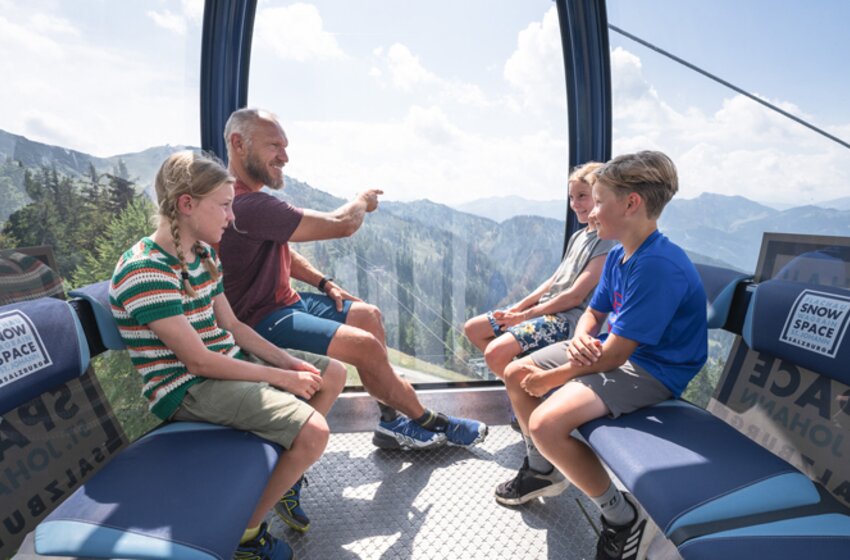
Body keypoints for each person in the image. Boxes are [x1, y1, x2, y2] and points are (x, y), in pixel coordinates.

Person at [217, 107, 488, 525]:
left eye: (285, 147)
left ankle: (391, 422)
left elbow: (281, 247)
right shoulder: (246, 204)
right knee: (363, 347)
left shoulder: (253, 204)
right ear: (239, 144)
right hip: (259, 320)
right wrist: (363, 200)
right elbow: (341, 223)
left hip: (286, 302)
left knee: (367, 316)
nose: (285, 157)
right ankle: (429, 420)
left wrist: (323, 282)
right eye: (274, 146)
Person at [110, 151, 346, 560]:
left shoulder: (203, 255)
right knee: (313, 433)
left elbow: (233, 327)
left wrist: (289, 363)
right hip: (187, 388)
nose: (231, 217)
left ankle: (281, 477)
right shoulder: (146, 271)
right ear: (187, 204)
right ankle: (244, 535)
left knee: (333, 373)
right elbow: (198, 362)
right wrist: (281, 378)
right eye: (223, 205)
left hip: (223, 365)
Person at [495, 151, 707, 560]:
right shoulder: (620, 254)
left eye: (598, 201)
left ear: (631, 203)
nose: (591, 213)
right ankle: (542, 470)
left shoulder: (657, 265)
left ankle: (621, 516)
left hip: (653, 370)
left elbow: (616, 356)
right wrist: (580, 337)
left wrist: (554, 378)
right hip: (611, 351)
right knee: (516, 372)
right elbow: (594, 312)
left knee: (545, 423)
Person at [463, 162, 615, 379]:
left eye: (582, 196)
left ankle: (523, 390)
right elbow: (555, 280)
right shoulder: (578, 236)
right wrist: (519, 308)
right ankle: (522, 382)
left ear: (600, 197)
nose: (575, 204)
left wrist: (524, 316)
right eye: (571, 197)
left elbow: (575, 296)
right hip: (547, 308)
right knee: (474, 328)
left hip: (567, 319)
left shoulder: (606, 242)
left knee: (495, 353)